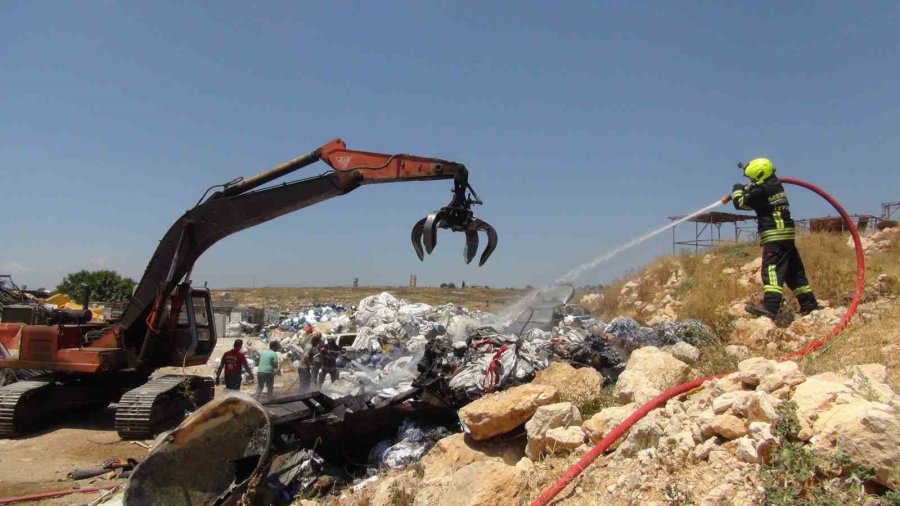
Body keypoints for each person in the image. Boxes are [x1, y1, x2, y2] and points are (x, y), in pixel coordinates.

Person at [731, 158, 820, 319]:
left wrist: (737, 190)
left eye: (752, 179)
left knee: (771, 271)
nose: (750, 181)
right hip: (786, 236)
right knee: (794, 273)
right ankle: (810, 305)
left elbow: (742, 204)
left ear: (759, 175)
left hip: (775, 236)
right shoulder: (775, 186)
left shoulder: (762, 190)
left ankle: (770, 307)